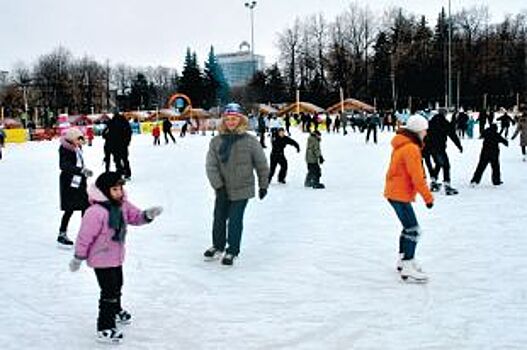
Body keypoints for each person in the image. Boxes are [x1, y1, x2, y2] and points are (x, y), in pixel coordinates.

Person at [69, 172, 163, 344]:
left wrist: (148, 215)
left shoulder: (122, 205)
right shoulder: (95, 212)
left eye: (120, 188)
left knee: (117, 285)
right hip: (101, 259)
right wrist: (78, 257)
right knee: (109, 292)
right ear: (104, 191)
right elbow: (84, 237)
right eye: (114, 189)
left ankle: (116, 309)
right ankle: (104, 327)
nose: (119, 192)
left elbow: (135, 217)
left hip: (116, 257)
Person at [204, 103, 269, 265]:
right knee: (219, 218)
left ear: (241, 120)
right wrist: (218, 186)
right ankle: (218, 245)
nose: (231, 122)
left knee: (235, 219)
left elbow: (261, 164)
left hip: (243, 188)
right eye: (228, 119)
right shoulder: (216, 141)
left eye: (235, 119)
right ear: (223, 121)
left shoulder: (250, 141)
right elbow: (211, 166)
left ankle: (232, 250)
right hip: (223, 188)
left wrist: (263, 185)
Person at [384, 114, 434, 283]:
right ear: (419, 131)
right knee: (413, 229)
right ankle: (407, 265)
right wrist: (428, 198)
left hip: (395, 192)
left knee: (408, 228)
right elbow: (417, 177)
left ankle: (404, 259)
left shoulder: (402, 145)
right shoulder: (411, 148)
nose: (426, 133)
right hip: (399, 194)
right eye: (425, 130)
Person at [58, 128, 93, 247]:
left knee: (86, 207)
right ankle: (62, 234)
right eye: (79, 139)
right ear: (72, 138)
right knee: (69, 209)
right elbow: (64, 165)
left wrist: (84, 172)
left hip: (79, 182)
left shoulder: (77, 148)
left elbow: (80, 163)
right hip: (69, 183)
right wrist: (81, 170)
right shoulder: (65, 149)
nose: (80, 142)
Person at [422, 110, 463, 195]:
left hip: (428, 148)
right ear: (445, 114)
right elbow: (453, 135)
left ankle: (434, 182)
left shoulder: (430, 122)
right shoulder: (444, 123)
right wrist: (459, 146)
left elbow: (423, 134)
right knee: (446, 165)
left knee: (438, 163)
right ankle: (447, 186)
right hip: (439, 148)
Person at [105, 113, 133, 180]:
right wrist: (127, 142)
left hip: (114, 146)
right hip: (123, 145)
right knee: (125, 159)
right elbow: (129, 133)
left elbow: (106, 134)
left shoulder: (111, 123)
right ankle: (127, 173)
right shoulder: (125, 123)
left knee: (117, 160)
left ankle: (120, 172)